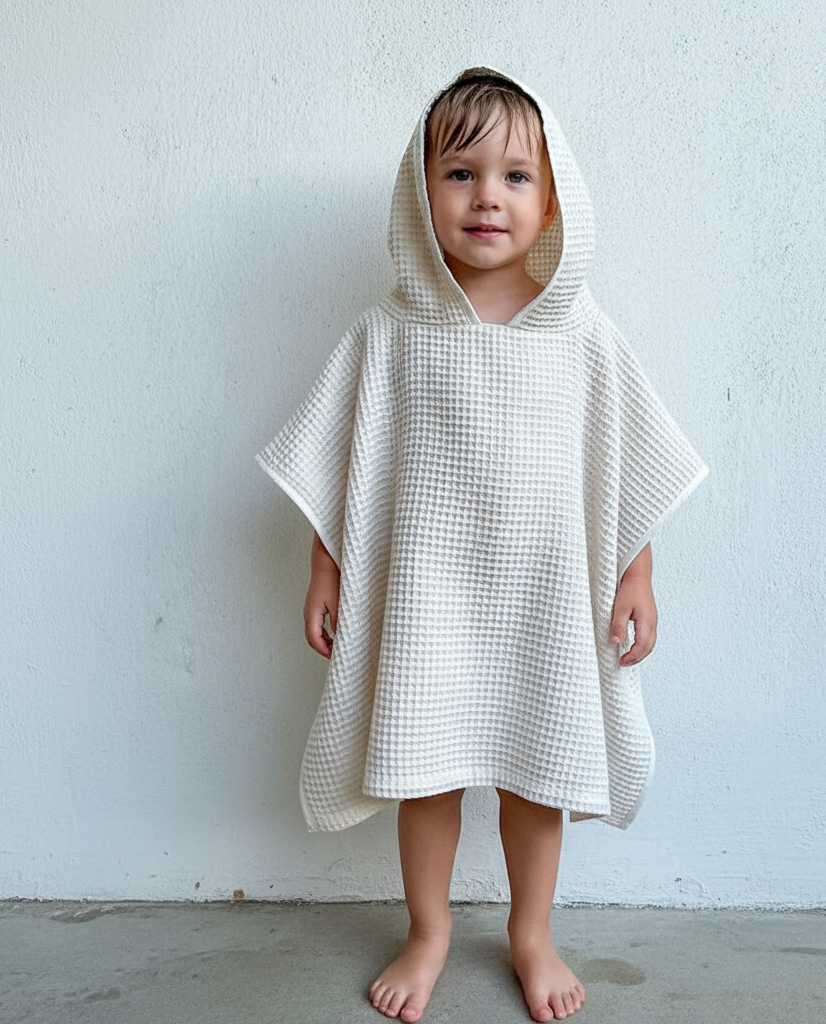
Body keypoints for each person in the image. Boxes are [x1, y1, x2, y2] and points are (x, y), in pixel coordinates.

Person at [257, 68, 708, 1023]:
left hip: (542, 596)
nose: (486, 197)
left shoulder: (580, 334)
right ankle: (428, 932)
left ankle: (531, 933)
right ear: (419, 192)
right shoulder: (390, 335)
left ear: (552, 201)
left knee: (533, 775)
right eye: (459, 173)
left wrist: (638, 573)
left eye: (514, 175)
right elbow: (344, 458)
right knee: (428, 769)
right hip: (430, 597)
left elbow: (627, 464)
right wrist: (325, 562)